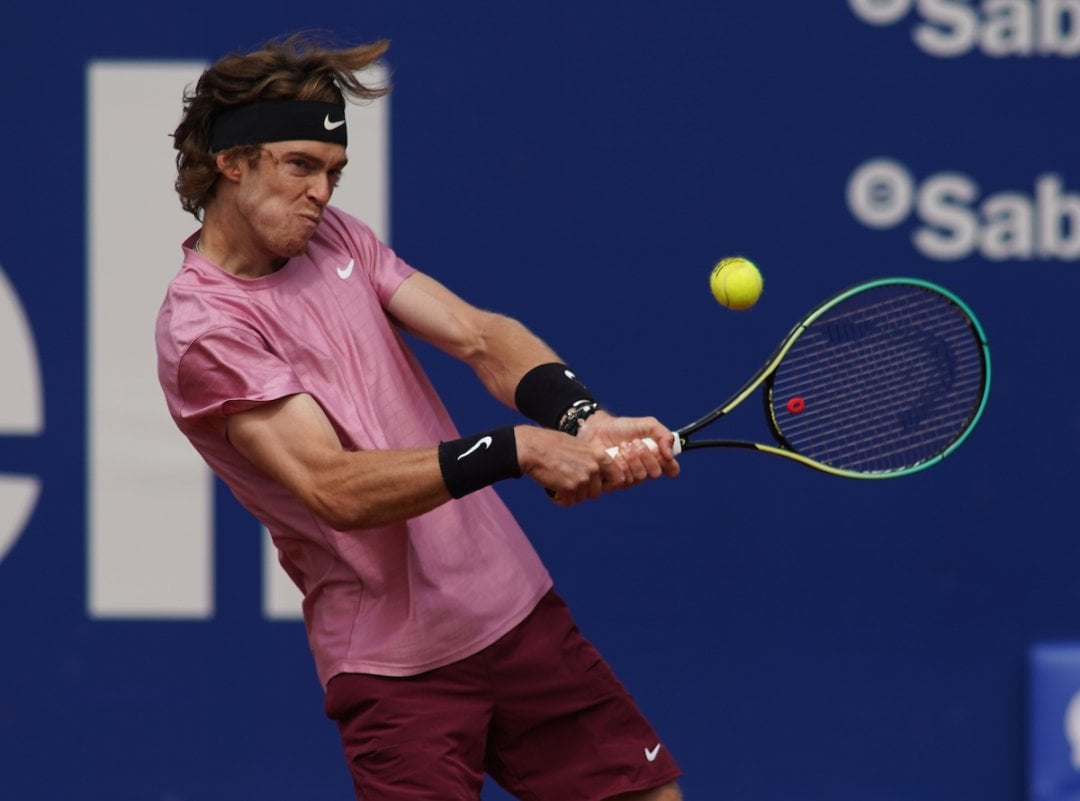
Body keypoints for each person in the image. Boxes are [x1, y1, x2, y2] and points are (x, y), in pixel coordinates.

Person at [156, 31, 683, 801]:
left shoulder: (333, 238)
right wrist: (517, 449)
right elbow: (333, 486)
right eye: (300, 166)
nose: (322, 194)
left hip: (514, 609)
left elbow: (477, 334)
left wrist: (578, 416)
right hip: (395, 669)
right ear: (231, 164)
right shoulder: (205, 330)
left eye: (333, 172)